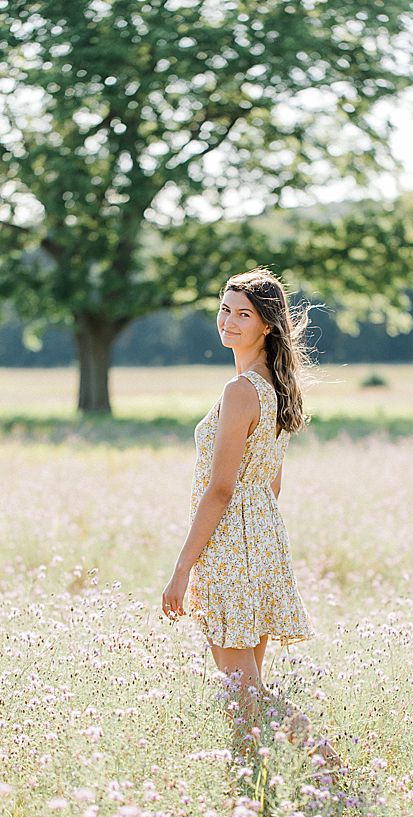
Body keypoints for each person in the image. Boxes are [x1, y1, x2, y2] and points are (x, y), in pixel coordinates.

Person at [160, 267, 339, 770]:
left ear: (267, 325)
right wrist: (251, 527)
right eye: (225, 309)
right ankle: (250, 790)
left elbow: (220, 489)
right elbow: (272, 483)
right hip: (262, 538)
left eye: (244, 314)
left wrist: (182, 569)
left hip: (231, 545)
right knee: (245, 691)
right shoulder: (276, 388)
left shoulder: (241, 391)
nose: (230, 321)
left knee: (241, 689)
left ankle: (328, 764)